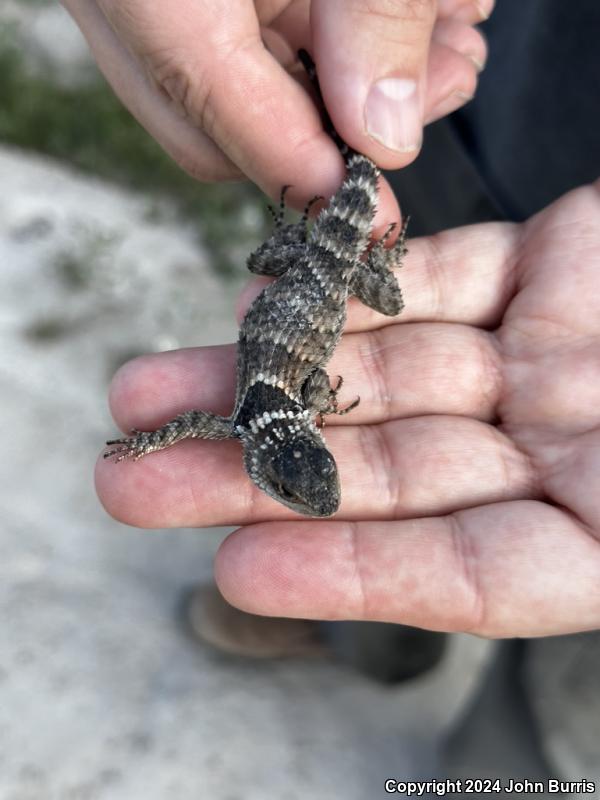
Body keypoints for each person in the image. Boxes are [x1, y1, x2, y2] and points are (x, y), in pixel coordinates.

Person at [64, 0, 600, 639]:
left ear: (286, 452)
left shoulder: (263, 413)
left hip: (324, 266)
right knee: (358, 235)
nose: (309, 498)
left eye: (297, 489)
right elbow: (203, 420)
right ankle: (354, 141)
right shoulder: (243, 422)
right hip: (330, 262)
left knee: (367, 266)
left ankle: (359, 164)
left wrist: (151, 439)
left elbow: (202, 419)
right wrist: (151, 442)